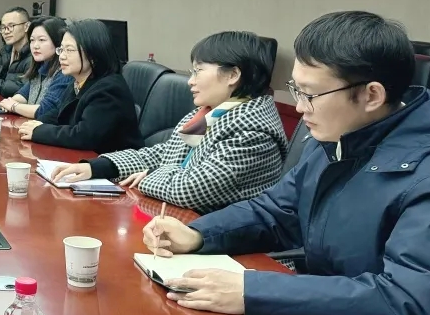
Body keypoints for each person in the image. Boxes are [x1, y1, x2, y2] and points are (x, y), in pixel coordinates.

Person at [142, 11, 430, 315]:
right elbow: (276, 211)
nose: (298, 108)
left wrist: (254, 291)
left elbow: (418, 302)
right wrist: (198, 234)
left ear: (372, 95)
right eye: (296, 89)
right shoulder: (336, 139)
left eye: (309, 95)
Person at [51, 31, 287, 213]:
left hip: (230, 247)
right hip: (182, 222)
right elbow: (162, 154)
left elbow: (191, 189)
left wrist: (150, 175)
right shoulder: (209, 114)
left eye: (198, 71)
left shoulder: (253, 131)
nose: (190, 81)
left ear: (233, 75)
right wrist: (97, 167)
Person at [18, 19, 141, 154]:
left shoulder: (109, 89)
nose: (62, 57)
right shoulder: (78, 81)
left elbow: (84, 136)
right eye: (61, 50)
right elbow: (60, 114)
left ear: (93, 55)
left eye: (69, 50)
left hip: (111, 163)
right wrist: (36, 124)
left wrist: (40, 131)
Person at [0, 16, 73, 120]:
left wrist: (14, 106)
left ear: (58, 42)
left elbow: (45, 110)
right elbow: (23, 94)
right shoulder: (40, 68)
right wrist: (10, 102)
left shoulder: (64, 72)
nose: (35, 46)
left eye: (42, 40)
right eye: (32, 40)